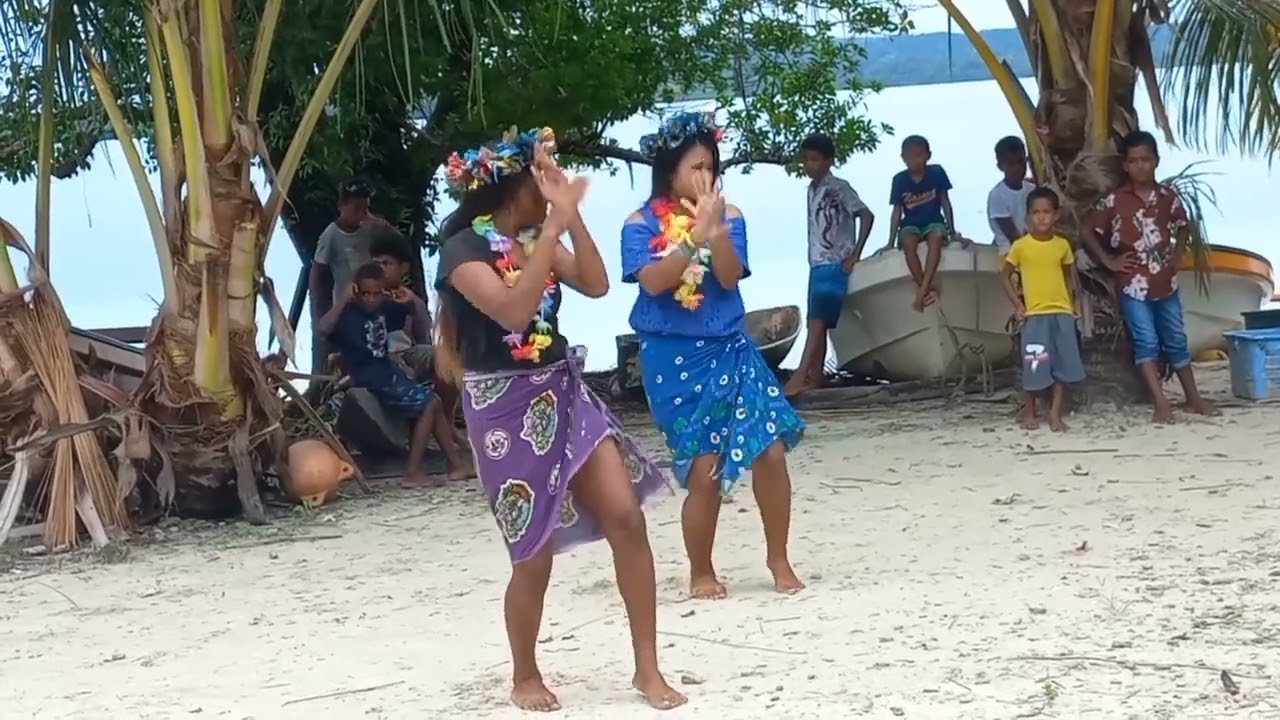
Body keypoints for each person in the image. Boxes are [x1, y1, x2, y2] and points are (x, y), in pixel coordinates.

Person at [433, 127, 686, 712]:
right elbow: (515, 310)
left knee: (626, 517)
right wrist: (553, 224)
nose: (552, 186)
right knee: (534, 549)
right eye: (541, 178)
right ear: (512, 187)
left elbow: (596, 284)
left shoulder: (532, 233)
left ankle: (647, 668)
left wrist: (568, 220)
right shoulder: (464, 253)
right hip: (501, 404)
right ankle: (525, 673)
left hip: (562, 391)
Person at [621, 111, 806, 601]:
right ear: (670, 171)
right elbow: (655, 282)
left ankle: (778, 556)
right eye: (697, 167)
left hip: (731, 347)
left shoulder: (734, 217)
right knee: (704, 467)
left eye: (712, 167)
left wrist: (715, 232)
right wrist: (691, 239)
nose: (707, 177)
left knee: (770, 449)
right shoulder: (639, 224)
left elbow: (727, 277)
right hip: (673, 358)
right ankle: (701, 569)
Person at [1083, 130, 1218, 424]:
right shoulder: (1115, 201)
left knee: (1176, 339)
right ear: (1125, 165)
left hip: (1165, 282)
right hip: (1132, 285)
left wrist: (1177, 254)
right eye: (1134, 161)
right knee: (1146, 341)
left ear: (1156, 160)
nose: (1140, 166)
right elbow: (1087, 232)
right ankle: (1160, 403)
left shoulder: (1167, 197)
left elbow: (1184, 224)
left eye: (1146, 159)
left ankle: (1193, 397)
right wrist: (1108, 260)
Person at [316, 262, 473, 486]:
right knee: (429, 405)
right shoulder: (347, 314)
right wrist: (343, 300)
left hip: (387, 372)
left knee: (434, 402)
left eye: (376, 293)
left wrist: (412, 300)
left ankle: (455, 466)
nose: (370, 299)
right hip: (370, 376)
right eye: (365, 293)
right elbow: (323, 329)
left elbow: (423, 321)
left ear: (383, 292)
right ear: (356, 291)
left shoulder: (385, 309)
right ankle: (413, 472)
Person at [784, 132, 875, 397]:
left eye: (814, 159)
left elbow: (866, 215)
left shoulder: (839, 187)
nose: (809, 165)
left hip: (835, 262)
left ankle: (801, 374)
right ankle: (815, 378)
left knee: (818, 320)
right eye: (806, 160)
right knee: (818, 322)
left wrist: (856, 252)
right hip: (816, 263)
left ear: (829, 160)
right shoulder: (812, 190)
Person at [369, 232, 468, 450]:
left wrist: (414, 303)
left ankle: (447, 422)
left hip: (409, 353)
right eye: (376, 263)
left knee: (445, 357)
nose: (380, 268)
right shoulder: (367, 295)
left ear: (403, 268)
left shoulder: (408, 298)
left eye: (386, 263)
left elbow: (424, 335)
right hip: (380, 358)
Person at [1000, 187, 1085, 432]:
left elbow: (1069, 277)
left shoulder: (1062, 246)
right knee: (1034, 365)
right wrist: (1018, 305)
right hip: (1034, 315)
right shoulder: (1020, 246)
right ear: (1027, 217)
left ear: (1056, 215)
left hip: (1062, 313)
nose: (1041, 217)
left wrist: (1074, 302)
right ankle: (1030, 411)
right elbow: (1004, 276)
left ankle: (1055, 414)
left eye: (1047, 212)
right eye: (1036, 212)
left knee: (1062, 365)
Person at [309, 178, 398, 375]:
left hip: (375, 297)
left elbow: (394, 243)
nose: (362, 214)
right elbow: (317, 275)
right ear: (342, 206)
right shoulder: (330, 236)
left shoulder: (371, 228)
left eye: (365, 209)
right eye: (357, 209)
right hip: (348, 303)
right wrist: (322, 312)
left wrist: (383, 227)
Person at [886, 135, 966, 312]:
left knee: (936, 239)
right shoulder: (899, 180)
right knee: (908, 243)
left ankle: (921, 291)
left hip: (933, 221)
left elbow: (945, 201)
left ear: (928, 155)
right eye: (909, 156)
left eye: (918, 155)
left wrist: (952, 231)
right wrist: (890, 241)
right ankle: (925, 288)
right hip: (911, 223)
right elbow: (897, 210)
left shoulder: (936, 172)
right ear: (903, 158)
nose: (914, 160)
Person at [987, 136, 1036, 256]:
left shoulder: (1033, 190)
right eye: (1011, 163)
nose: (1017, 168)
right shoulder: (997, 196)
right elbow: (1013, 238)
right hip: (1010, 254)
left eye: (1021, 162)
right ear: (1000, 166)